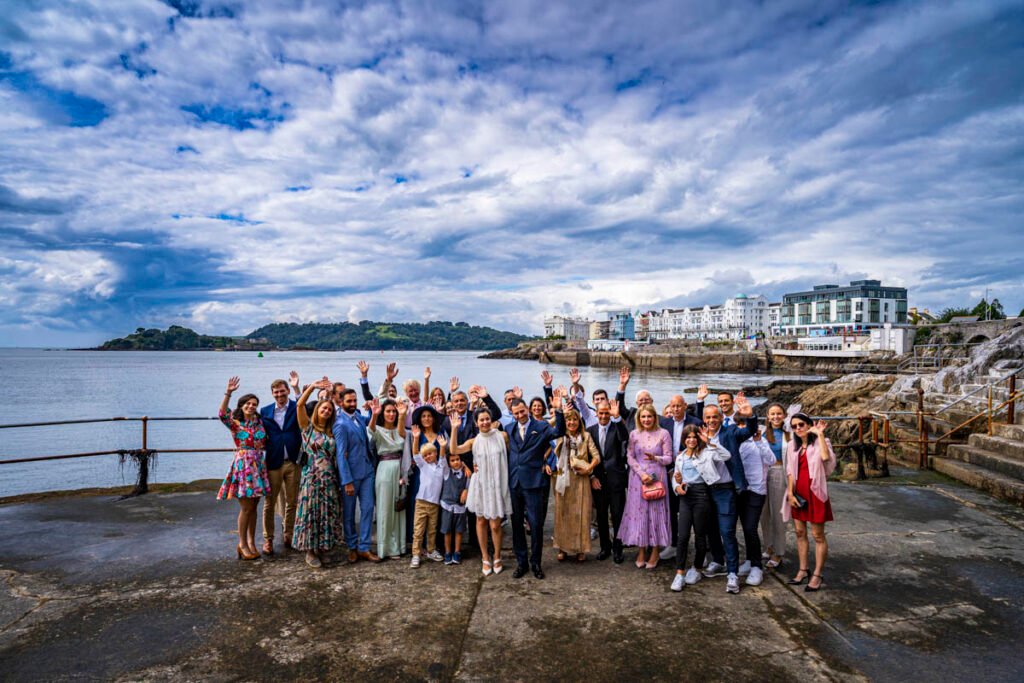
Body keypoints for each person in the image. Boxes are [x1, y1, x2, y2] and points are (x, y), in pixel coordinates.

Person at [700, 395, 758, 594]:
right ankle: (718, 560)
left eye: (714, 417)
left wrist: (750, 416)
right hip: (705, 490)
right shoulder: (697, 437)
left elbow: (750, 430)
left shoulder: (731, 432)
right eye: (707, 417)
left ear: (720, 417)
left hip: (725, 490)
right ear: (703, 419)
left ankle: (732, 573)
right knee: (710, 530)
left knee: (727, 532)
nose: (711, 421)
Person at [507, 393, 566, 579]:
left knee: (536, 525)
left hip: (534, 482)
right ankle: (521, 562)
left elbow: (559, 433)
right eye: (515, 413)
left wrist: (559, 410)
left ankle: (536, 563)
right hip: (515, 482)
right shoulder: (509, 428)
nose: (519, 415)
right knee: (516, 525)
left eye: (522, 411)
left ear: (528, 409)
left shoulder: (541, 426)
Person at [452, 408, 513, 577]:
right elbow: (455, 449)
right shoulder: (474, 441)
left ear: (491, 420)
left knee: (495, 524)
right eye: (481, 420)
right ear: (476, 423)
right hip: (480, 484)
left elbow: (513, 453)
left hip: (497, 484)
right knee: (481, 521)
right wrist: (455, 429)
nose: (485, 422)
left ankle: (498, 556)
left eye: (487, 419)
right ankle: (485, 557)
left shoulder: (502, 436)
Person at [670, 424, 730, 591]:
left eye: (694, 437)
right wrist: (677, 486)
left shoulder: (706, 453)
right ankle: (679, 573)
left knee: (700, 536)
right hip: (685, 496)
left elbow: (726, 455)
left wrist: (709, 441)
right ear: (684, 439)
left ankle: (696, 568)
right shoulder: (680, 456)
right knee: (682, 537)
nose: (691, 440)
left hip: (702, 495)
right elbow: (676, 476)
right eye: (688, 437)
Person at [217, 376, 271, 561]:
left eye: (254, 404)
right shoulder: (235, 423)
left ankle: (251, 541)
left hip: (258, 465)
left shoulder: (259, 422)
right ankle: (242, 543)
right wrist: (229, 393)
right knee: (246, 507)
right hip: (244, 466)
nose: (251, 406)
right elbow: (222, 414)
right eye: (248, 403)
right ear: (242, 406)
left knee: (254, 506)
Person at [292, 379, 344, 568]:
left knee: (326, 512)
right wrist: (312, 387)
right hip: (312, 476)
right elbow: (299, 405)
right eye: (323, 409)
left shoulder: (331, 431)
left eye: (329, 410)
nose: (326, 411)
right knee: (311, 512)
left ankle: (322, 547)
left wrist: (331, 394)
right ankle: (310, 551)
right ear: (317, 410)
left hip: (329, 476)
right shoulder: (307, 428)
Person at [784, 414, 836, 592]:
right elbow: (790, 471)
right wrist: (790, 493)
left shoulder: (821, 442)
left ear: (809, 424)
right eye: (794, 426)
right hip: (798, 493)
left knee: (818, 535)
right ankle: (803, 569)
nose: (798, 428)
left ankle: (817, 574)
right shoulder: (792, 445)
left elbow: (825, 458)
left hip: (815, 493)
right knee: (799, 532)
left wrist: (820, 434)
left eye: (801, 424)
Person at [618, 404, 673, 569]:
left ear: (655, 417)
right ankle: (641, 549)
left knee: (656, 514)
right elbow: (629, 456)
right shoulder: (634, 434)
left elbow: (669, 458)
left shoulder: (664, 433)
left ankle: (655, 550)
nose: (646, 420)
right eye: (643, 417)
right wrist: (642, 474)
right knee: (640, 514)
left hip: (657, 477)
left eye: (649, 416)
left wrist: (656, 458)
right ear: (639, 419)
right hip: (638, 479)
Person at [658, 388, 708, 561]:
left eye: (679, 406)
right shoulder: (665, 423)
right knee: (671, 508)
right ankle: (673, 544)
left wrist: (700, 401)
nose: (676, 409)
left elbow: (702, 443)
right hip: (669, 471)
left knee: (694, 510)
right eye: (673, 406)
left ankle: (701, 544)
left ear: (685, 406)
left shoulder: (694, 421)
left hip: (691, 472)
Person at [333, 388, 380, 563]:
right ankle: (352, 546)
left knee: (368, 509)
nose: (352, 404)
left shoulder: (359, 417)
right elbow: (340, 454)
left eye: (354, 401)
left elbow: (370, 425)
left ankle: (365, 547)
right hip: (351, 476)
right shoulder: (339, 424)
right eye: (349, 401)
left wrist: (374, 413)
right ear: (341, 402)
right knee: (350, 514)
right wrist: (347, 481)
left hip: (367, 471)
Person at [259, 373, 303, 556]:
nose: (280, 395)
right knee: (269, 503)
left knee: (292, 501)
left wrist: (296, 388)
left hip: (293, 461)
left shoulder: (295, 407)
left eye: (283, 392)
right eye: (276, 392)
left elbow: (304, 408)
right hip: (274, 462)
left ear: (287, 391)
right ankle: (268, 539)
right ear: (272, 393)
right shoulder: (265, 411)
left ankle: (289, 534)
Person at [552, 408, 601, 562]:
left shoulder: (586, 436)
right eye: (568, 420)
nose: (572, 422)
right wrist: (559, 412)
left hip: (581, 478)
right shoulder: (560, 435)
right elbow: (547, 427)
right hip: (562, 477)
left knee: (581, 514)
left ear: (579, 422)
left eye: (574, 420)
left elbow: (596, 457)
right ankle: (562, 548)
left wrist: (589, 468)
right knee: (563, 513)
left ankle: (581, 549)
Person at [587, 399, 630, 563]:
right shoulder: (590, 431)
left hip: (616, 480)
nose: (604, 416)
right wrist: (592, 476)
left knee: (618, 515)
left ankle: (618, 549)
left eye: (607, 413)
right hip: (598, 481)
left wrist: (617, 417)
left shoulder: (617, 428)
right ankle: (605, 547)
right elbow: (587, 456)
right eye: (601, 413)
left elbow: (625, 437)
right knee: (602, 516)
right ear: (596, 414)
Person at [368, 397, 409, 560]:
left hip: (400, 469)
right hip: (384, 469)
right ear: (383, 413)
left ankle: (397, 547)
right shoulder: (378, 429)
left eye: (393, 411)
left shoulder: (400, 429)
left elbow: (401, 439)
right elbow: (370, 430)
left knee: (398, 508)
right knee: (385, 509)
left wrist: (402, 415)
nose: (391, 414)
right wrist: (373, 414)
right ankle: (384, 548)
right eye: (388, 411)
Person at [736, 421, 776, 586]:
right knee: (745, 526)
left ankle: (757, 566)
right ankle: (749, 560)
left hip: (756, 489)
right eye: (739, 425)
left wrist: (759, 441)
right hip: (738, 489)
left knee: (751, 527)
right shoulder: (735, 440)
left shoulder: (758, 440)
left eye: (744, 425)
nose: (742, 428)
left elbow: (771, 460)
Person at [407, 404, 446, 553]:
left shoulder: (440, 433)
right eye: (423, 416)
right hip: (420, 474)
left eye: (429, 416)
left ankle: (433, 545)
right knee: (418, 510)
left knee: (435, 512)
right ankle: (418, 546)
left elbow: (445, 453)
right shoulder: (417, 433)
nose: (427, 418)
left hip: (437, 476)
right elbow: (415, 454)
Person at [409, 435, 447, 567]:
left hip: (434, 504)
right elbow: (415, 454)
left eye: (430, 454)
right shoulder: (423, 466)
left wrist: (442, 446)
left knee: (432, 530)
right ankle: (416, 554)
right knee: (418, 530)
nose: (428, 457)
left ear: (435, 453)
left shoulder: (441, 466)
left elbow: (442, 458)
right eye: (425, 455)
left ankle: (431, 550)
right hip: (421, 502)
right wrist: (416, 439)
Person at [761, 403, 790, 568]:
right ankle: (769, 546)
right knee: (764, 515)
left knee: (778, 515)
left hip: (779, 472)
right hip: (763, 474)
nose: (775, 417)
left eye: (779, 414)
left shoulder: (789, 435)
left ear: (784, 415)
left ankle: (779, 552)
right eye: (772, 414)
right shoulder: (763, 433)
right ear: (767, 416)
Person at [440, 449, 470, 565]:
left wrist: (466, 490)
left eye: (458, 459)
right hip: (447, 505)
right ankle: (448, 552)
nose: (456, 462)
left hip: (460, 507)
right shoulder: (447, 472)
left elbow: (469, 483)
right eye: (452, 460)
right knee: (447, 531)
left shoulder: (466, 474)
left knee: (459, 530)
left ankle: (457, 552)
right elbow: (442, 460)